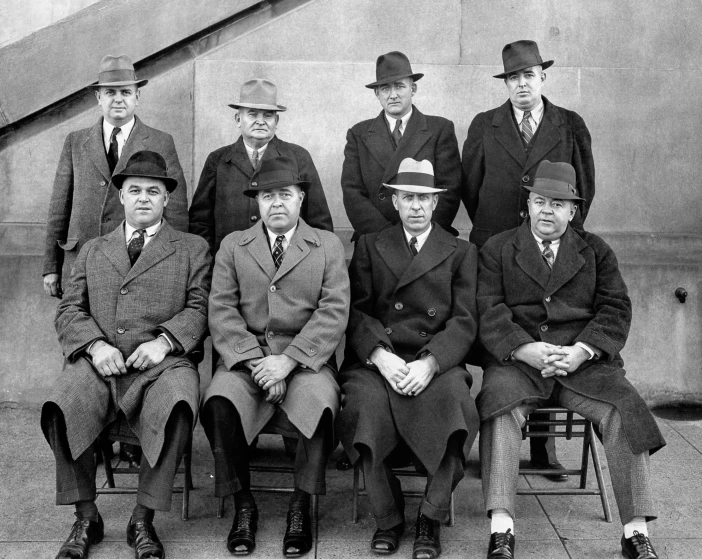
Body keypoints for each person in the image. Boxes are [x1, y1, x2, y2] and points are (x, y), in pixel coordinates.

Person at [476, 160, 665, 559]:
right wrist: (523, 348)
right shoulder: (498, 248)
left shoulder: (595, 250)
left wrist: (583, 349)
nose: (547, 210)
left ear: (573, 211)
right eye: (540, 201)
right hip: (520, 365)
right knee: (499, 408)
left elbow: (616, 308)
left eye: (558, 203)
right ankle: (501, 527)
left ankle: (636, 532)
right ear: (527, 203)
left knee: (623, 408)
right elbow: (487, 310)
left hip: (583, 367)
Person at [40, 151, 210, 559]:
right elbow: (69, 309)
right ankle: (86, 517)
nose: (144, 199)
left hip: (162, 364)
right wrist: (96, 346)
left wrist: (166, 341)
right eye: (135, 190)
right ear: (121, 195)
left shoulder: (192, 248)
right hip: (100, 364)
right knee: (60, 405)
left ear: (167, 199)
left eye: (154, 191)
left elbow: (200, 306)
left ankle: (142, 519)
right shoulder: (94, 249)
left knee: (179, 405)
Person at [201, 155, 349, 558]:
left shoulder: (327, 245)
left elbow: (333, 312)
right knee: (218, 403)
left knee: (320, 405)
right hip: (248, 360)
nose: (276, 203)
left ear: (301, 198)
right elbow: (222, 310)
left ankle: (300, 504)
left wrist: (289, 361)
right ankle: (243, 504)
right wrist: (256, 362)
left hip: (305, 362)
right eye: (267, 196)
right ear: (257, 203)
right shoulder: (234, 245)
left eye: (285, 194)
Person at [462, 39, 596, 478]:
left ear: (543, 77)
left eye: (529, 75)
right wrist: (498, 235)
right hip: (498, 247)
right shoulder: (486, 124)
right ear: (507, 83)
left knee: (550, 329)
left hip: (551, 250)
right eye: (513, 77)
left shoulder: (569, 125)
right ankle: (499, 436)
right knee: (501, 341)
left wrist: (558, 238)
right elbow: (471, 185)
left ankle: (544, 447)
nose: (521, 84)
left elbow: (584, 189)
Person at [337, 158, 480, 559]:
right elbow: (357, 311)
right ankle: (388, 517)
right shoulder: (370, 245)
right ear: (395, 201)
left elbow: (465, 321)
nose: (416, 206)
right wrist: (379, 356)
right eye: (408, 198)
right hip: (379, 359)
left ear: (436, 204)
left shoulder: (461, 251)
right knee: (364, 409)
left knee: (458, 410)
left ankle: (430, 518)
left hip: (435, 360)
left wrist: (431, 362)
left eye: (424, 198)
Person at [43, 54, 188, 299]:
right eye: (110, 92)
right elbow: (60, 208)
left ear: (137, 97)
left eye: (125, 92)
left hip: (138, 260)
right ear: (98, 98)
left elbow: (176, 209)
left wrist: (177, 263)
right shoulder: (76, 142)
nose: (118, 99)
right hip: (82, 260)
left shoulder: (161, 141)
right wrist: (51, 267)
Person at [189, 78, 333, 256]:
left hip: (287, 265)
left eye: (268, 115)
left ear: (276, 120)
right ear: (238, 119)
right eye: (252, 114)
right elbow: (200, 223)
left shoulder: (298, 157)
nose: (260, 121)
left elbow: (319, 222)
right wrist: (213, 265)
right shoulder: (218, 160)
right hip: (231, 267)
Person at [342, 51, 462, 241]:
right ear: (377, 93)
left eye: (399, 86)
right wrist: (386, 238)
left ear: (413, 89)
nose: (393, 95)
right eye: (385, 89)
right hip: (375, 239)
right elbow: (352, 193)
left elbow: (450, 189)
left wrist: (420, 236)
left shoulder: (440, 129)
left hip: (427, 239)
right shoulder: (358, 134)